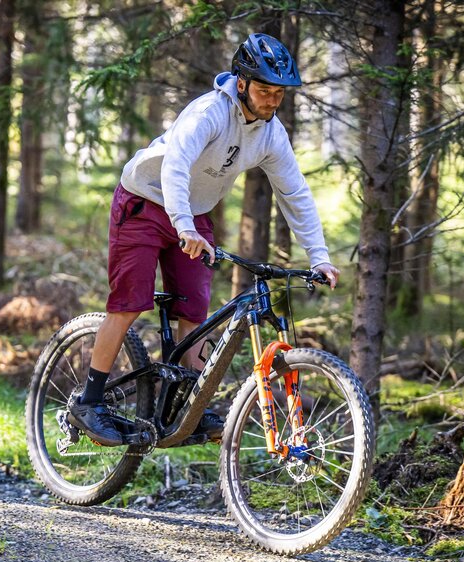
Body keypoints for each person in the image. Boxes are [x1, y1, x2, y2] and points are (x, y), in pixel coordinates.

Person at [69, 33, 341, 447]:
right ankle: (89, 401)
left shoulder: (270, 133)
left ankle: (183, 407)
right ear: (243, 82)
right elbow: (175, 165)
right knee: (129, 304)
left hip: (192, 216)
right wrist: (184, 225)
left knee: (194, 311)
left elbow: (294, 192)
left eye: (279, 94)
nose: (272, 100)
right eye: (265, 90)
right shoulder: (209, 112)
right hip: (145, 200)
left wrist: (319, 256)